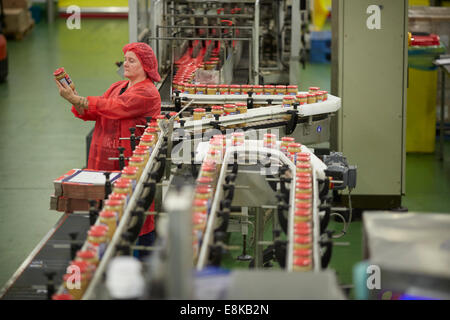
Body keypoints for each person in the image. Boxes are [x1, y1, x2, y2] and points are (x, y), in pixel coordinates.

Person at [55, 42, 161, 257]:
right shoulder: (117, 87)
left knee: (134, 216)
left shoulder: (148, 93)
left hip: (128, 167)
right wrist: (76, 98)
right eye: (126, 60)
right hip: (101, 164)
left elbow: (114, 108)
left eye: (132, 60)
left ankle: (142, 265)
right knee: (104, 216)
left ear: (146, 66)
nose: (126, 64)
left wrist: (78, 100)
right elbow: (93, 113)